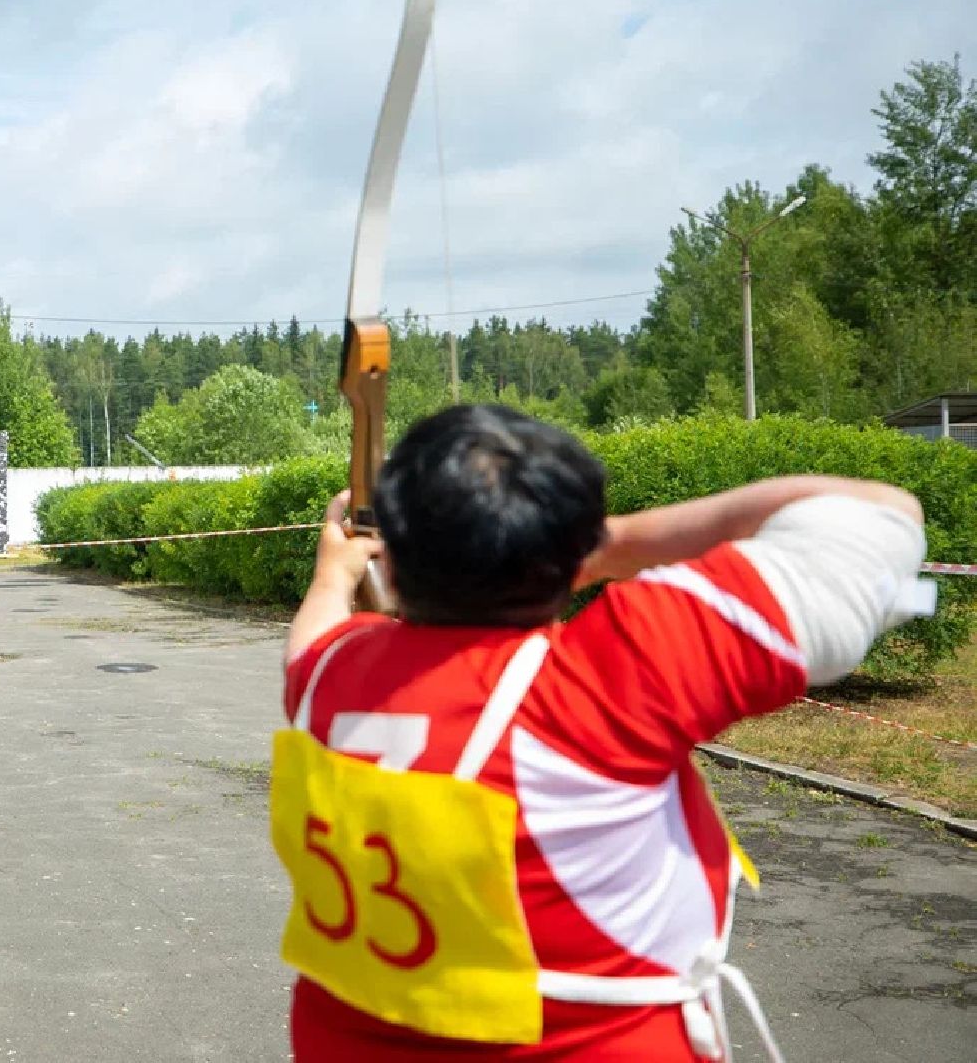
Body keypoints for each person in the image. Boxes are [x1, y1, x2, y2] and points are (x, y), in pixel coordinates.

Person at [273, 403, 928, 1062]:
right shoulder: (600, 682)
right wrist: (607, 543)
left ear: (393, 554)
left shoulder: (330, 675)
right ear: (564, 549)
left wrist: (335, 572)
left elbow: (315, 632)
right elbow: (882, 513)